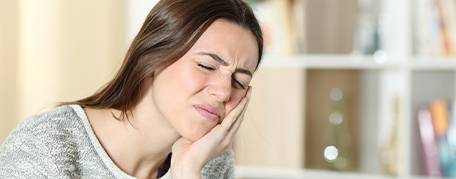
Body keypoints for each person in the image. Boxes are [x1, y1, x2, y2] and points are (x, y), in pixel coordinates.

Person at [0, 0, 263, 178]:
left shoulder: (208, 161)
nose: (224, 93)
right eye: (206, 66)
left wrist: (187, 170)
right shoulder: (45, 146)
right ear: (152, 57)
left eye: (239, 82)